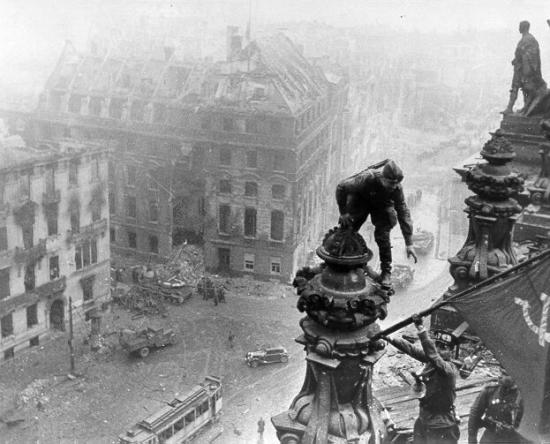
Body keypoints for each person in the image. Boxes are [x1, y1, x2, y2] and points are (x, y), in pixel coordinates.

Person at [336, 159, 417, 286]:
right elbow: (341, 187)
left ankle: (386, 272)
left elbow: (403, 212)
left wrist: (409, 243)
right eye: (390, 183)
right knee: (348, 228)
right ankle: (341, 259)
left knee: (383, 235)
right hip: (361, 199)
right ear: (382, 178)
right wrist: (344, 213)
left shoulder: (396, 189)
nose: (393, 186)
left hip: (382, 204)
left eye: (396, 183)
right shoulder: (366, 178)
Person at [385, 315, 460, 444]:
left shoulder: (449, 370)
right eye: (437, 346)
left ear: (452, 352)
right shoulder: (432, 362)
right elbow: (411, 349)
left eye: (444, 347)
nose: (439, 350)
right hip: (424, 419)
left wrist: (421, 329)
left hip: (442, 425)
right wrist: (389, 337)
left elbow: (433, 356)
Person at [468, 371, 526, 444]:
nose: (500, 376)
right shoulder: (490, 391)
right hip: (490, 438)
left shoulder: (524, 396)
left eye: (505, 374)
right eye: (501, 372)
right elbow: (475, 414)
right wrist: (472, 439)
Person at [503, 20, 546, 115]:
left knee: (524, 88)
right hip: (520, 67)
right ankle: (511, 108)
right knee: (516, 87)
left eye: (520, 26)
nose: (519, 28)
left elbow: (532, 54)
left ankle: (524, 108)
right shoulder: (525, 39)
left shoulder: (529, 39)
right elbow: (520, 53)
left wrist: (522, 58)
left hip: (524, 69)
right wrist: (516, 59)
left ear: (525, 27)